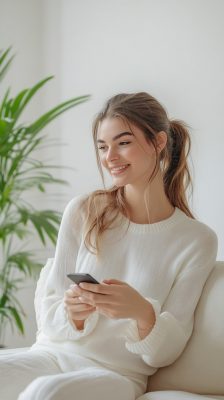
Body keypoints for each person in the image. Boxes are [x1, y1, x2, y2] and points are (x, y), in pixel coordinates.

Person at [0, 92, 218, 400]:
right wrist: (74, 313)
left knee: (45, 393)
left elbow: (167, 351)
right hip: (50, 355)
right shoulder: (84, 211)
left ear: (157, 142)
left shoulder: (196, 240)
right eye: (103, 146)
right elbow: (51, 307)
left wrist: (142, 312)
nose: (109, 157)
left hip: (116, 374)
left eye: (123, 142)